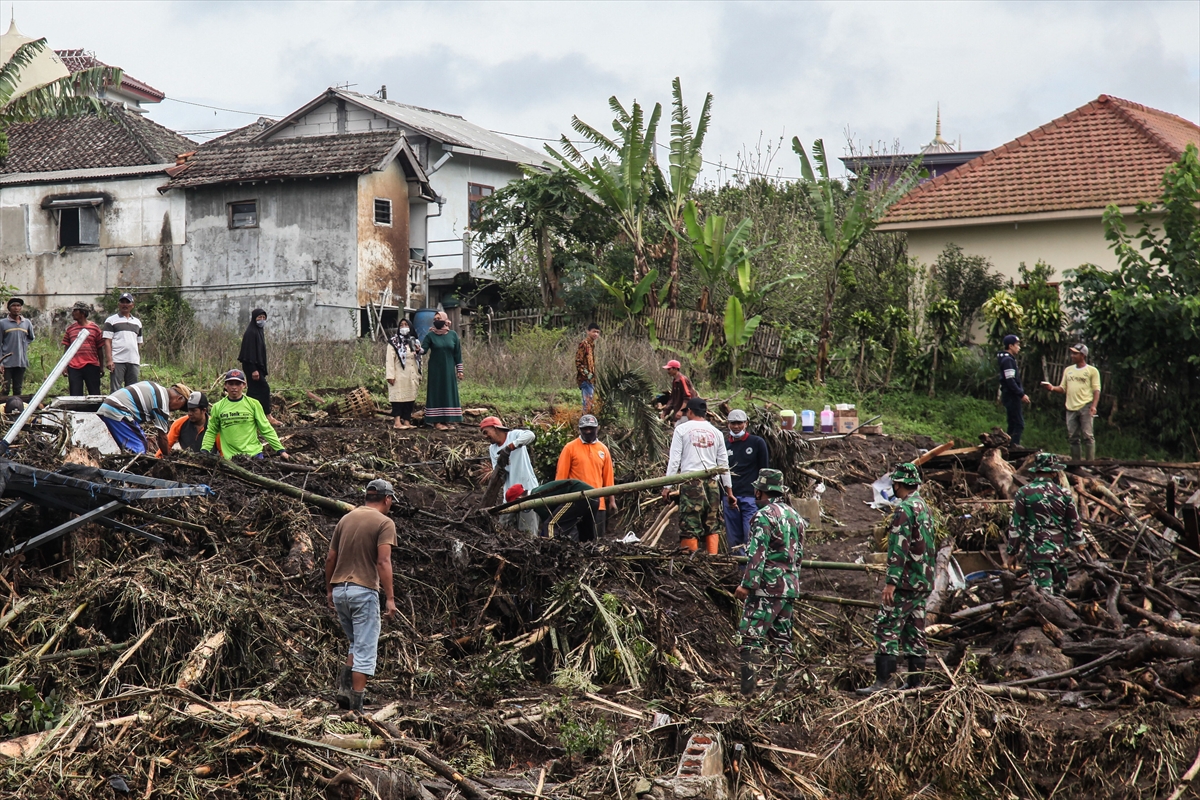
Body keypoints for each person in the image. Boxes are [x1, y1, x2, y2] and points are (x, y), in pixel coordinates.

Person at [859, 463, 936, 694]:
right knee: (914, 629)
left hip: (906, 581)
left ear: (898, 484)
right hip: (923, 580)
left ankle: (884, 682)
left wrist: (891, 582)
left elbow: (898, 548)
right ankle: (915, 682)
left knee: (886, 627)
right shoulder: (924, 506)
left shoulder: (904, 509)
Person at [325, 479, 397, 713]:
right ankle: (357, 708)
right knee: (366, 648)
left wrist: (328, 589)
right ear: (386, 499)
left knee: (355, 643)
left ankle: (343, 695)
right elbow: (383, 561)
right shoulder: (385, 523)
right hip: (363, 591)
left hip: (340, 591)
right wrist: (390, 598)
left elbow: (330, 559)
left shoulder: (346, 519)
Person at [733, 469, 804, 697]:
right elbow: (799, 554)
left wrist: (747, 584)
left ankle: (747, 691)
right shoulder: (795, 516)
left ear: (760, 490)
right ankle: (784, 690)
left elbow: (757, 554)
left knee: (751, 636)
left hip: (766, 588)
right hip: (789, 586)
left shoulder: (763, 516)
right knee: (783, 639)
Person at [1003, 453, 1084, 595]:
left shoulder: (1024, 493)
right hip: (1060, 552)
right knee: (1060, 594)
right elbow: (1074, 522)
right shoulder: (1064, 493)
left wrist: (1012, 552)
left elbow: (1016, 525)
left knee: (1043, 594)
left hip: (1037, 552)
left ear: (1036, 471)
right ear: (1054, 472)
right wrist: (1079, 544)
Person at [662, 397, 736, 553]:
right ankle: (713, 561)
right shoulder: (716, 432)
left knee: (690, 524)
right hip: (713, 485)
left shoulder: (681, 429)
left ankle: (690, 567)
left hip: (691, 484)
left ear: (689, 411)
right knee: (712, 524)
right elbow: (724, 465)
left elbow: (674, 460)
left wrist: (667, 486)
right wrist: (729, 492)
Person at [201, 369, 289, 460]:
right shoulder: (217, 407)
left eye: (238, 383)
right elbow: (211, 431)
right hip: (230, 458)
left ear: (244, 385)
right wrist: (205, 450)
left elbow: (266, 428)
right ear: (225, 385)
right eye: (231, 384)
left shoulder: (254, 404)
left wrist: (280, 450)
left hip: (254, 455)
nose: (234, 387)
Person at [555, 414, 616, 541]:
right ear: (580, 429)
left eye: (591, 428)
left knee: (596, 542)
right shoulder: (570, 448)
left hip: (598, 506)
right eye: (585, 429)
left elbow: (608, 478)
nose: (588, 431)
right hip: (576, 503)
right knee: (575, 541)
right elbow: (561, 478)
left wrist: (611, 501)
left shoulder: (603, 450)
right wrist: (558, 500)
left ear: (597, 428)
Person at [1041, 344, 1101, 461]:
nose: (1072, 355)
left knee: (1088, 436)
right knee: (1073, 437)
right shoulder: (1068, 370)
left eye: (1075, 353)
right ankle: (1076, 462)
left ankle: (1090, 463)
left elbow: (1096, 390)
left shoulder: (1092, 371)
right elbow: (1063, 388)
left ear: (1082, 355)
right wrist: (1052, 388)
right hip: (1070, 406)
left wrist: (1094, 406)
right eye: (1072, 353)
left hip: (1085, 406)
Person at [96, 381, 191, 455]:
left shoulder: (154, 386)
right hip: (117, 411)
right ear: (179, 398)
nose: (176, 410)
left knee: (130, 442)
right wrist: (167, 457)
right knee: (139, 447)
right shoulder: (162, 403)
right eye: (180, 407)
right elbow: (162, 437)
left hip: (108, 407)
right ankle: (133, 477)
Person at [481, 416, 539, 535]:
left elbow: (531, 435)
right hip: (509, 495)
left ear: (495, 428)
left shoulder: (514, 435)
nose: (485, 436)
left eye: (486, 432)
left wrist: (510, 447)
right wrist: (499, 471)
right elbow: (497, 472)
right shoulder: (492, 449)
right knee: (503, 531)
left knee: (528, 531)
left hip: (527, 491)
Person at [724, 409, 770, 555]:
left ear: (746, 423)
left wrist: (763, 496)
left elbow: (764, 469)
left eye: (739, 423)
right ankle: (739, 572)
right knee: (733, 538)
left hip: (750, 497)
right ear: (728, 424)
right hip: (730, 497)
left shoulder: (757, 442)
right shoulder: (724, 446)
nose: (736, 426)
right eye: (733, 423)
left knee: (749, 533)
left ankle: (752, 570)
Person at [507, 480, 604, 541]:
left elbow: (548, 525)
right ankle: (589, 553)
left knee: (551, 525)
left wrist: (542, 541)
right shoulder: (537, 492)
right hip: (594, 497)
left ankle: (552, 555)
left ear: (519, 498)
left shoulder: (536, 499)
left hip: (580, 496)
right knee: (585, 533)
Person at [420, 310, 463, 430]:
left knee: (448, 392)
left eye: (439, 318)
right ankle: (436, 422)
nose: (437, 321)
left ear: (445, 320)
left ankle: (447, 420)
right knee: (436, 392)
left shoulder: (453, 335)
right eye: (435, 319)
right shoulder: (430, 335)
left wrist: (460, 370)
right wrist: (418, 350)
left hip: (449, 369)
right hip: (435, 370)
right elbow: (424, 350)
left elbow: (457, 354)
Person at [239, 308, 280, 425]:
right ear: (254, 318)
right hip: (252, 368)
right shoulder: (251, 332)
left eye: (263, 318)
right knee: (264, 389)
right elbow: (248, 353)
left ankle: (249, 414)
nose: (261, 320)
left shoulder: (259, 331)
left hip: (257, 368)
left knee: (253, 391)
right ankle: (268, 416)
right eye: (259, 318)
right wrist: (253, 370)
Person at [62, 302, 104, 396]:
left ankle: (94, 410)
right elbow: (67, 348)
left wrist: (101, 366)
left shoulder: (95, 328)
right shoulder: (70, 329)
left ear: (83, 313)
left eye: (75, 311)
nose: (73, 313)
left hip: (91, 365)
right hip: (74, 366)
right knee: (75, 395)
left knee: (94, 394)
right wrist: (64, 366)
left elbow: (99, 348)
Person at [386, 319, 422, 429]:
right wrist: (390, 375)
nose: (403, 327)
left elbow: (420, 359)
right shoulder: (393, 342)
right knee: (398, 398)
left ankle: (407, 421)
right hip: (399, 374)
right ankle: (397, 422)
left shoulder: (415, 342)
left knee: (410, 398)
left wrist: (420, 374)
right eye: (401, 325)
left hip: (412, 374)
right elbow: (389, 360)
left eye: (406, 325)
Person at [103, 292, 143, 392]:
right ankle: (115, 407)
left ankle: (130, 408)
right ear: (119, 304)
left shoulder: (137, 322)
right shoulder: (111, 320)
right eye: (122, 302)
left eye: (127, 302)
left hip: (133, 361)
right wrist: (109, 360)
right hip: (117, 360)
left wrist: (136, 358)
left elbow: (139, 343)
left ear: (132, 305)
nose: (125, 305)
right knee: (116, 390)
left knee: (133, 390)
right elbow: (107, 341)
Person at [997, 334, 1030, 445]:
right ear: (1010, 346)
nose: (1019, 347)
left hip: (1010, 394)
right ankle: (1014, 446)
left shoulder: (1008, 359)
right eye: (1017, 345)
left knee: (1012, 422)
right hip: (1011, 395)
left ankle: (1008, 445)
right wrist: (1021, 394)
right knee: (1018, 423)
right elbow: (1010, 380)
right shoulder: (1007, 360)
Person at [0, 297, 34, 397]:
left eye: (18, 306)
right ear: (9, 308)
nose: (16, 308)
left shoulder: (26, 323)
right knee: (5, 389)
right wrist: (0, 362)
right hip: (7, 362)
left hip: (21, 361)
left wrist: (23, 344)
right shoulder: (2, 323)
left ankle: (16, 409)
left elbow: (31, 337)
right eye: (14, 306)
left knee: (18, 389)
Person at [575, 323, 601, 412]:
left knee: (589, 404)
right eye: (594, 331)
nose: (596, 334)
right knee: (587, 404)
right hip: (585, 379)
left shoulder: (591, 345)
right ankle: (585, 424)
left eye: (598, 332)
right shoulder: (584, 344)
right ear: (588, 332)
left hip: (591, 380)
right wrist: (587, 373)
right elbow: (578, 362)